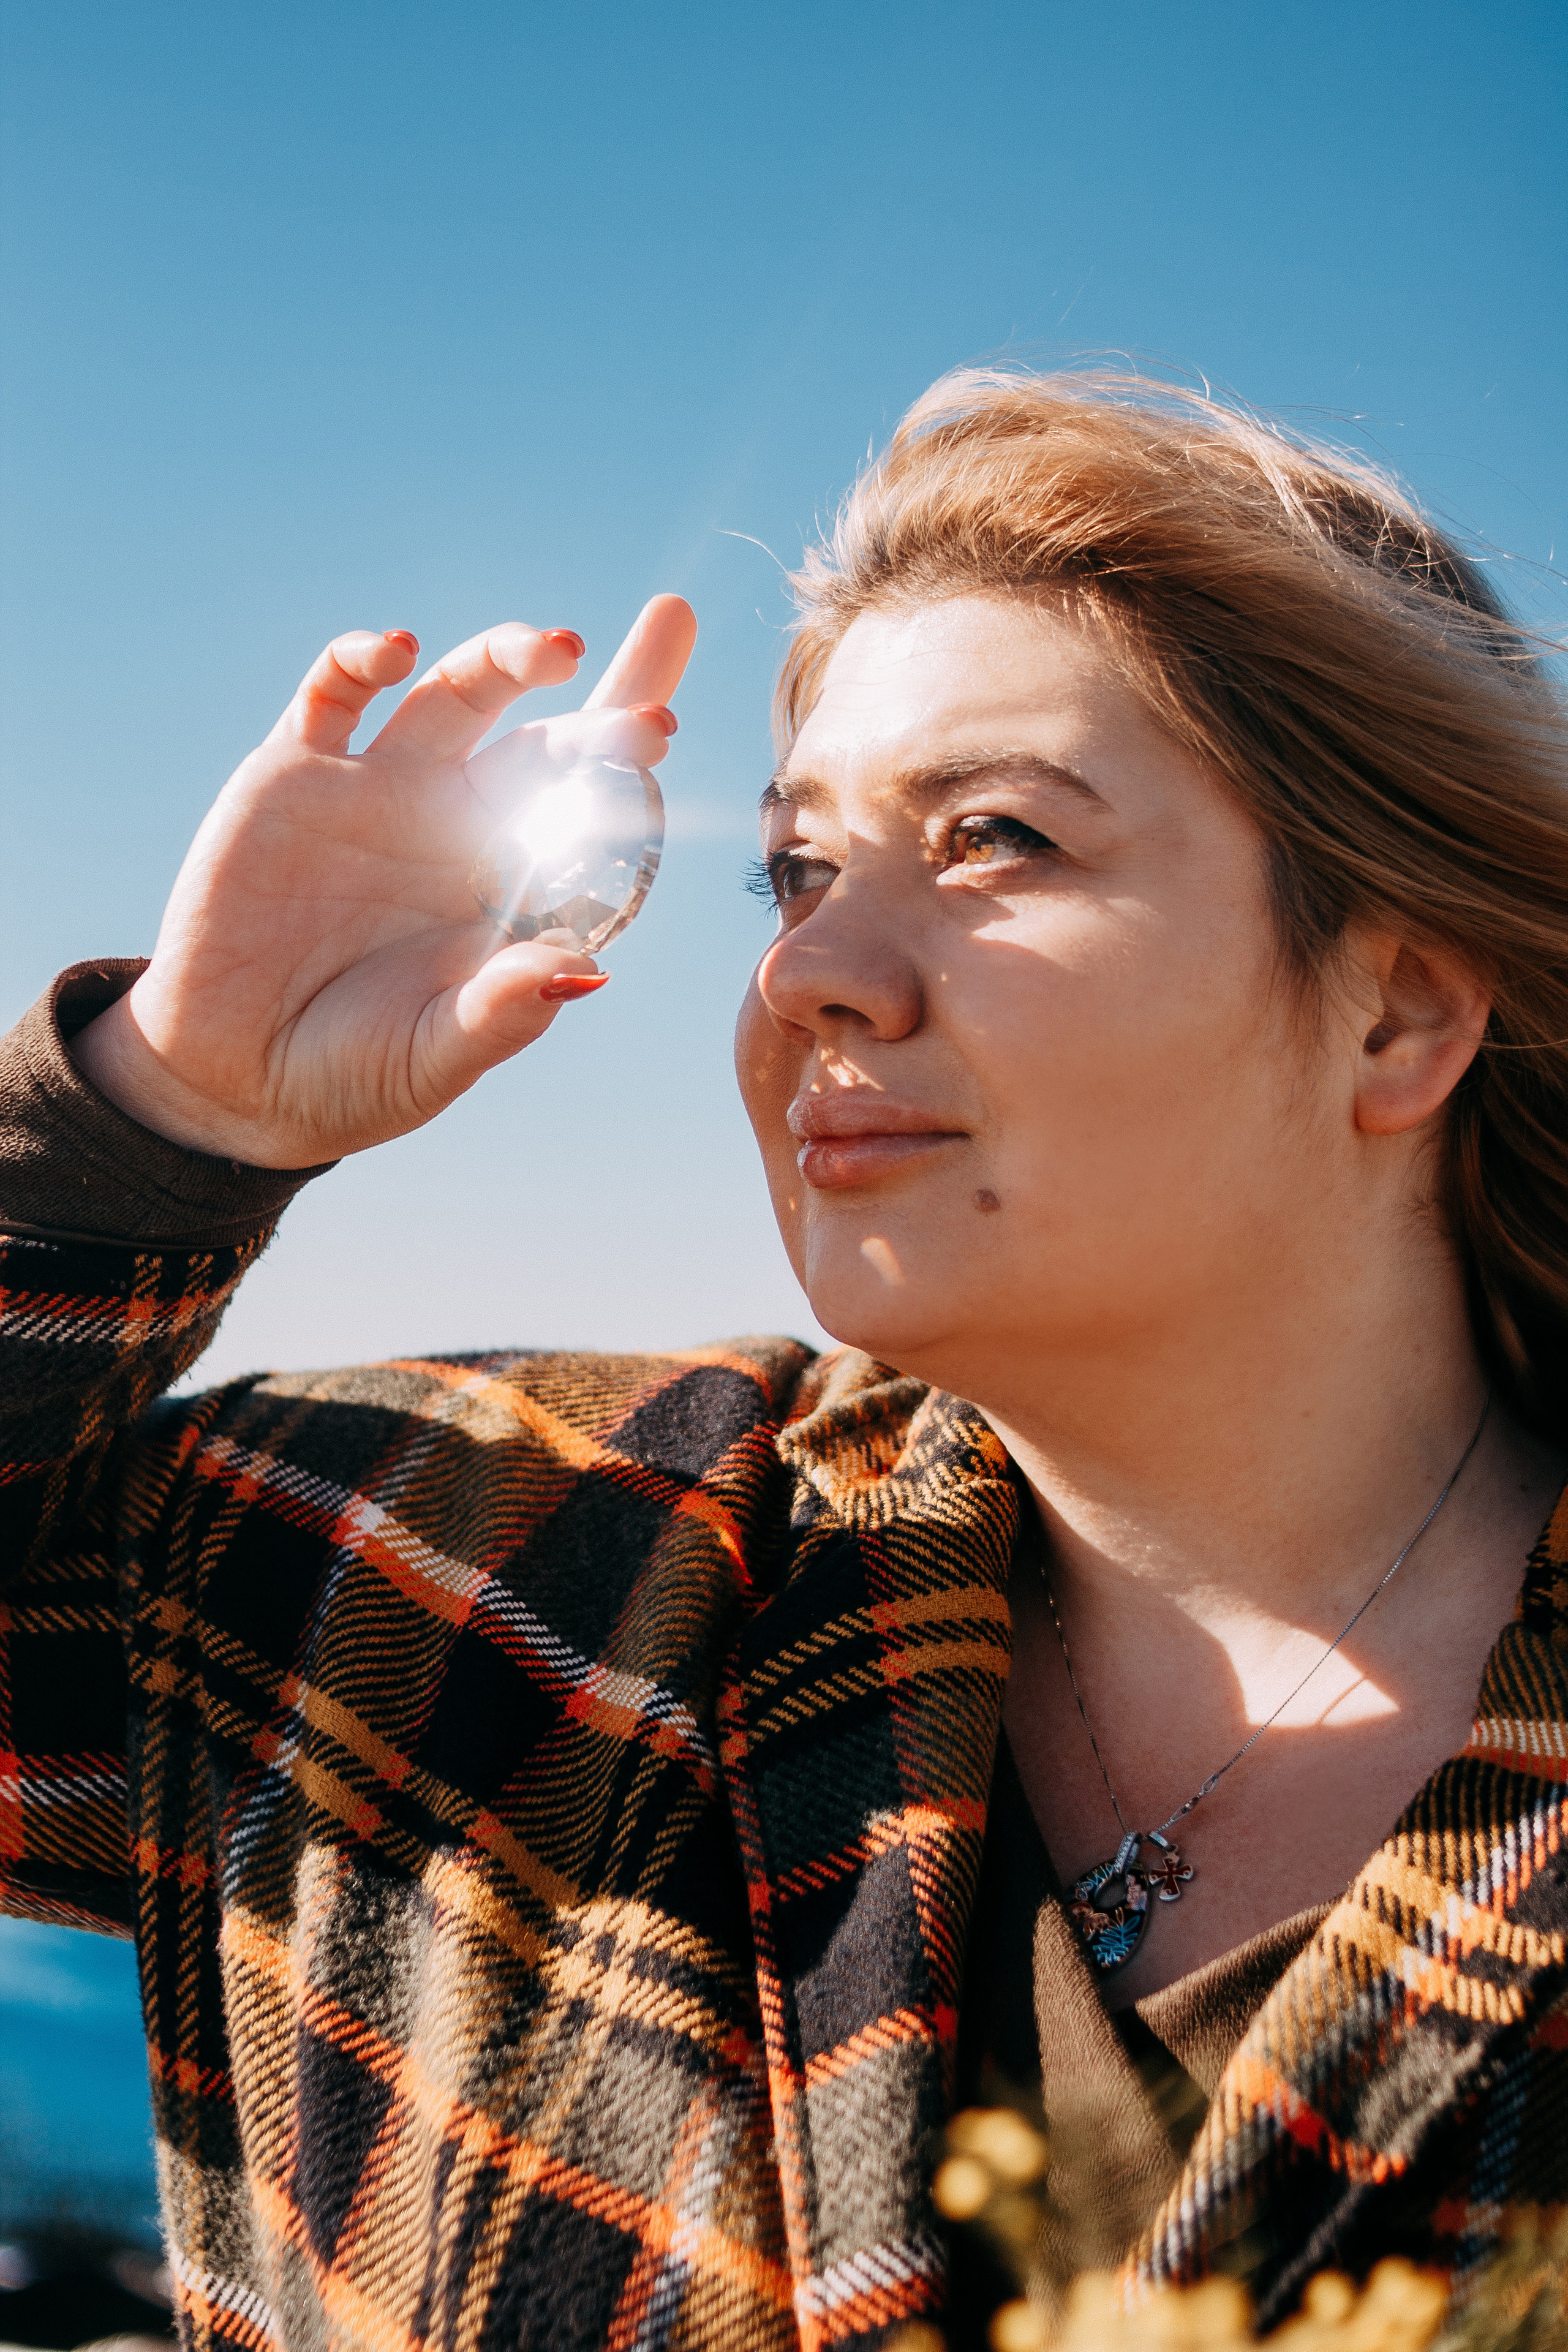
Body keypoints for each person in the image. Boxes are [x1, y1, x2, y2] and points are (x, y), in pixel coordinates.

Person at [2, 369, 1566, 2352]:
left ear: (1399, 1012)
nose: (808, 971)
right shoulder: (480, 1572)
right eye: (798, 872)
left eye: (996, 838)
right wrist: (167, 1107)